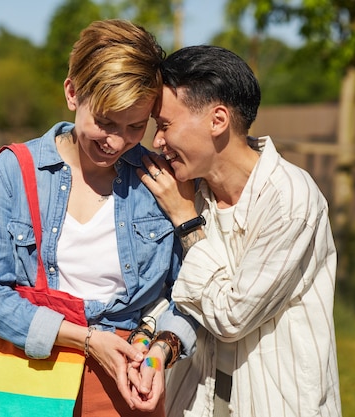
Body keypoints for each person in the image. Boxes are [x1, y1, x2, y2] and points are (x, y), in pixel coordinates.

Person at [0, 19, 182, 417]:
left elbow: (185, 295)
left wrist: (158, 355)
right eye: (104, 121)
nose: (117, 141)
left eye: (136, 126)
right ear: (72, 93)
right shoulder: (15, 170)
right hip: (30, 382)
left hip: (131, 386)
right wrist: (86, 340)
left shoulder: (159, 181)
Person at [127, 45, 342, 416]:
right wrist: (154, 340)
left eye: (164, 125)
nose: (157, 142)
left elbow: (231, 316)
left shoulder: (289, 200)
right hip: (197, 401)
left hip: (275, 403)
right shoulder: (190, 189)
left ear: (218, 120)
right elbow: (170, 289)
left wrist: (186, 221)